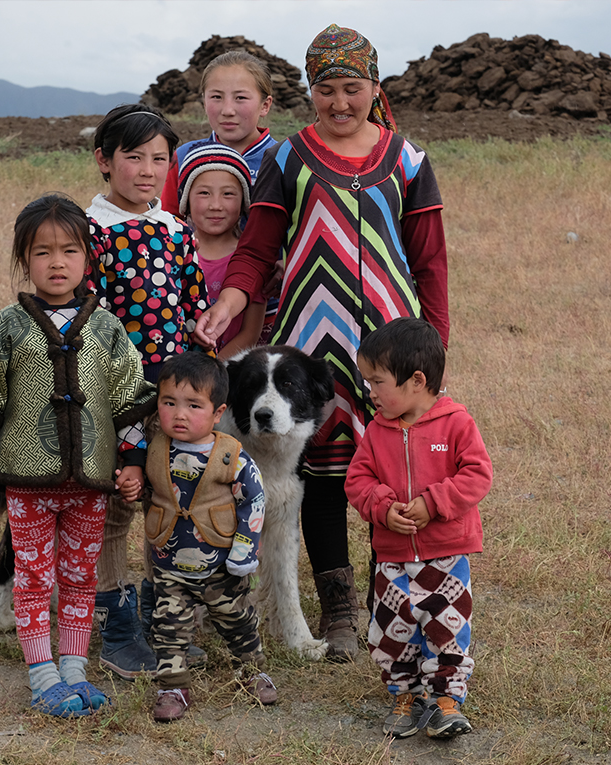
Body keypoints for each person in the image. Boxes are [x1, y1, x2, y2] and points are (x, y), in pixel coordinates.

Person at [193, 24, 450, 660]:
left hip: (393, 345)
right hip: (310, 345)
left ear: (374, 87)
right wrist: (231, 299)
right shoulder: (289, 158)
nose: (339, 103)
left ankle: (388, 604)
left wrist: (434, 348)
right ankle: (337, 610)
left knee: (396, 468)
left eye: (352, 89)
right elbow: (257, 248)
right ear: (311, 92)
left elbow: (431, 263)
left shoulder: (409, 160)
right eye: (326, 90)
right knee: (329, 474)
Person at [0, 194, 153, 717]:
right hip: (29, 481)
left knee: (80, 575)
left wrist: (132, 460)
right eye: (42, 252)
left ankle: (75, 667)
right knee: (35, 576)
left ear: (88, 258)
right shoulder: (5, 327)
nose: (57, 263)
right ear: (24, 259)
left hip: (91, 483)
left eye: (69, 251)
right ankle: (42, 675)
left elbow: (128, 399)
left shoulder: (107, 330)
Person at [81, 102, 211, 680]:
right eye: (134, 157)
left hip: (169, 395)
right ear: (104, 161)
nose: (148, 170)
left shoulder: (175, 230)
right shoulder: (90, 234)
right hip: (110, 394)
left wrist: (202, 377)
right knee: (114, 503)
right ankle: (114, 620)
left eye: (160, 158)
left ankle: (165, 615)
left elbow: (193, 308)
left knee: (166, 496)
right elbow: (83, 316)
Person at [344, 318, 492, 740]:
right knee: (392, 629)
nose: (369, 391)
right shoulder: (376, 431)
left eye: (376, 381)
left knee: (446, 627)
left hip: (446, 554)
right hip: (392, 557)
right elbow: (357, 481)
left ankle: (446, 700)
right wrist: (383, 508)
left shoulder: (456, 423)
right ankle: (404, 695)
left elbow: (477, 474)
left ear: (417, 380)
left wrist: (434, 502)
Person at [143, 351, 276, 722]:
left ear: (218, 413)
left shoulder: (231, 456)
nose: (179, 414)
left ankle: (251, 670)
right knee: (167, 625)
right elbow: (145, 489)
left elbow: (254, 500)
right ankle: (173, 685)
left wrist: (244, 550)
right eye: (169, 403)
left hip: (220, 565)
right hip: (169, 563)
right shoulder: (154, 449)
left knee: (236, 620)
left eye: (193, 405)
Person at [160, 50, 276, 215]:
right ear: (204, 102)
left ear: (265, 105)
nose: (227, 110)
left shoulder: (284, 160)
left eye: (240, 98)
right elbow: (170, 225)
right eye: (216, 97)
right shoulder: (184, 156)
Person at [176, 143, 265, 357]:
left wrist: (215, 369)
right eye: (204, 193)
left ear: (244, 201)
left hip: (229, 373)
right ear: (186, 200)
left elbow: (250, 333)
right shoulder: (172, 251)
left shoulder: (251, 259)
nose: (216, 205)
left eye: (228, 194)